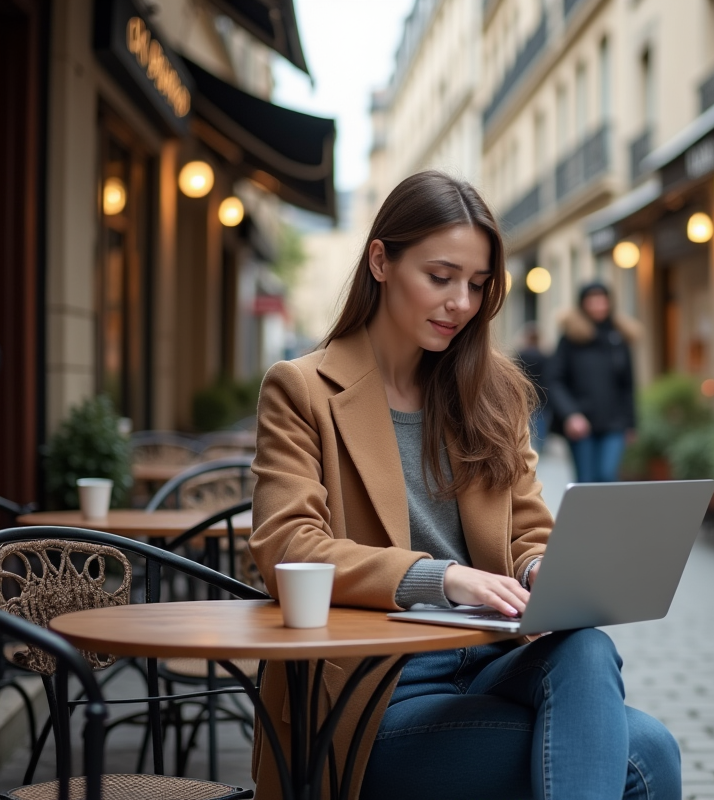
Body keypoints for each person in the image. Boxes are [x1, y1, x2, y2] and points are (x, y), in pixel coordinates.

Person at [249, 171, 680, 800]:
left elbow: (530, 531)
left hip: (495, 663)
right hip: (377, 693)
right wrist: (441, 578)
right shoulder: (302, 389)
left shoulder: (492, 393)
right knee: (645, 755)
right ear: (381, 261)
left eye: (478, 285)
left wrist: (539, 571)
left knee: (587, 649)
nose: (462, 303)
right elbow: (287, 545)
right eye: (441, 277)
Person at [548, 282, 639, 483]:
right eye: (592, 300)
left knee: (607, 476)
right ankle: (585, 516)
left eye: (602, 299)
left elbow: (628, 385)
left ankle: (608, 516)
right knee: (586, 482)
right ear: (583, 304)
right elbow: (554, 381)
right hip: (582, 424)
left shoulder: (619, 338)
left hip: (614, 423)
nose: (598, 305)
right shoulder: (571, 339)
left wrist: (631, 423)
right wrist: (571, 414)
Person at [515, 322, 550, 455]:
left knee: (526, 418)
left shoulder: (521, 354)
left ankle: (529, 443)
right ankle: (540, 444)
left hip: (525, 392)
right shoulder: (544, 356)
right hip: (541, 392)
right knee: (541, 418)